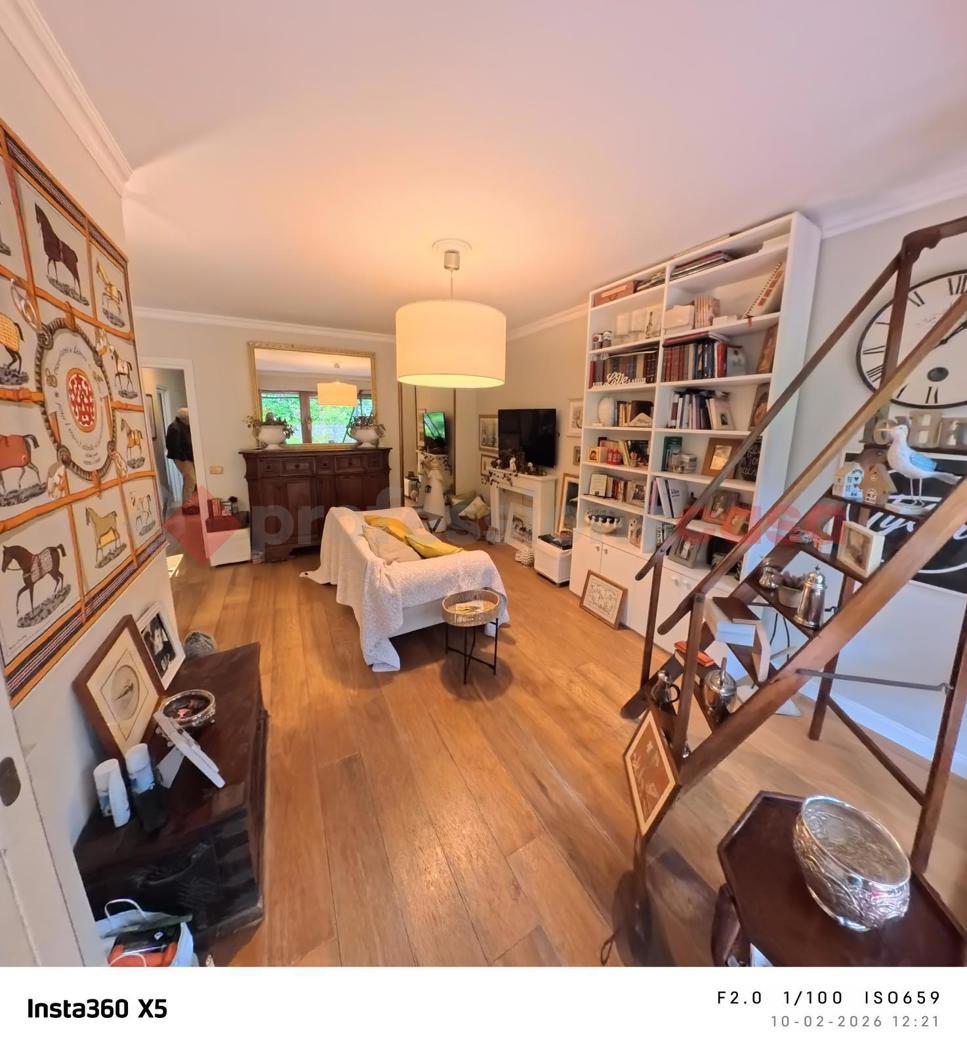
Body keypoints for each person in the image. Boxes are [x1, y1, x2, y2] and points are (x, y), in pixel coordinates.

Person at [165, 407, 197, 513]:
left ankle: (187, 503)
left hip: (187, 457)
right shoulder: (174, 428)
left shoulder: (182, 426)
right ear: (184, 418)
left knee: (190, 480)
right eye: (189, 417)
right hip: (182, 458)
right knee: (190, 479)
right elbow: (174, 446)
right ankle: (186, 505)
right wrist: (184, 457)